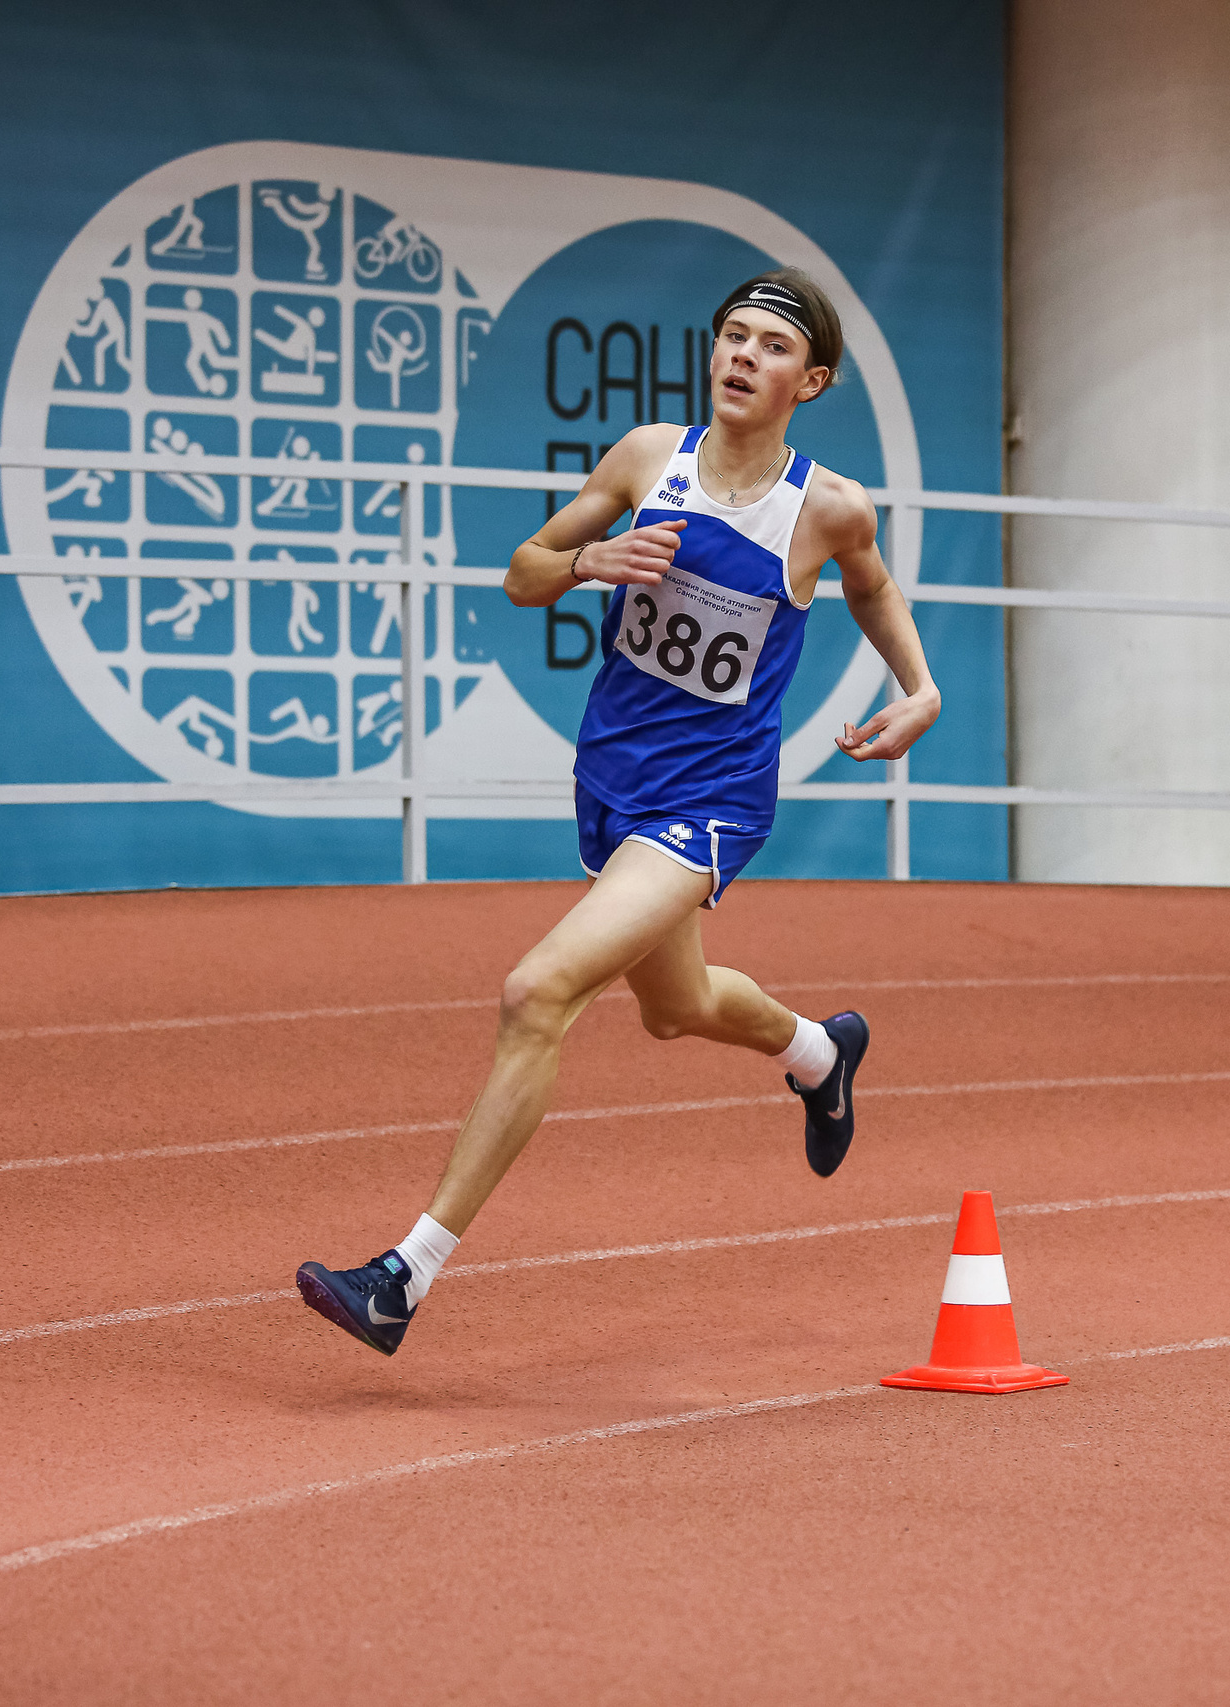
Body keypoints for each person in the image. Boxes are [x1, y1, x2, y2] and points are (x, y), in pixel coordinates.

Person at [298, 269, 941, 1356]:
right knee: (672, 1007)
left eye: (771, 346)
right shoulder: (649, 458)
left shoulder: (826, 509)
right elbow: (522, 574)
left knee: (537, 992)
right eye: (731, 335)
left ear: (811, 380)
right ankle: (819, 1056)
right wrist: (586, 561)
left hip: (708, 800)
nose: (742, 355)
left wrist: (917, 688)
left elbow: (871, 586)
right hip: (612, 779)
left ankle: (403, 1277)